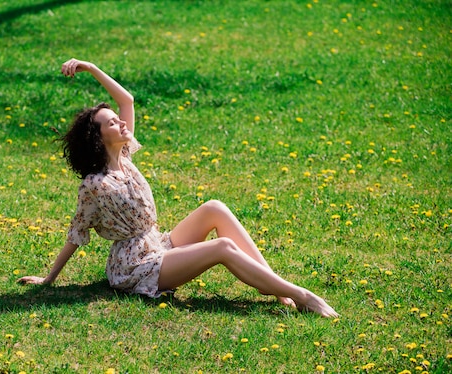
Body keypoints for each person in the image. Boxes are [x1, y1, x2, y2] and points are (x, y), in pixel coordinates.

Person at [17, 58, 339, 318]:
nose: (122, 123)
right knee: (222, 247)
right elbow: (77, 233)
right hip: (134, 267)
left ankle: (279, 289)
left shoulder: (126, 157)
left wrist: (90, 68)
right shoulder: (94, 185)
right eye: (113, 123)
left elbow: (126, 99)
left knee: (215, 208)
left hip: (157, 244)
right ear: (98, 138)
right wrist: (49, 279)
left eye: (118, 119)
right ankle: (302, 295)